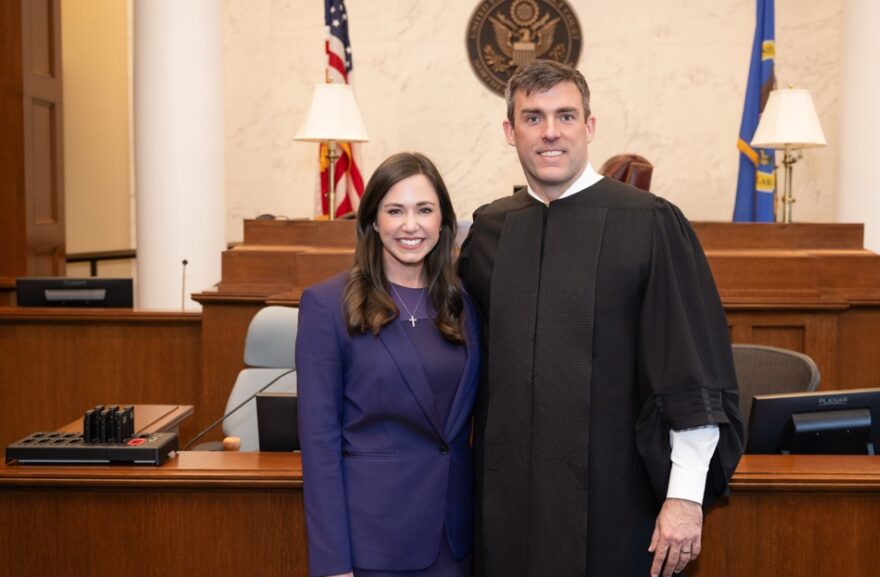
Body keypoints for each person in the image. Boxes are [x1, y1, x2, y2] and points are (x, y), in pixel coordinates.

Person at [458, 60, 743, 577]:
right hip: (506, 505)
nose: (550, 132)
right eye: (533, 117)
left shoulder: (648, 223)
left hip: (617, 503)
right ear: (510, 131)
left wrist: (685, 496)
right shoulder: (490, 231)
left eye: (566, 116)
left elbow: (691, 372)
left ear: (589, 127)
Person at [297, 152, 480, 577]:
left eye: (424, 210)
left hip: (455, 541)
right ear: (373, 221)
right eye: (395, 210)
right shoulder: (327, 305)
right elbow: (320, 446)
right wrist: (332, 563)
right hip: (374, 544)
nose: (410, 225)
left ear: (443, 221)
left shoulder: (464, 303)